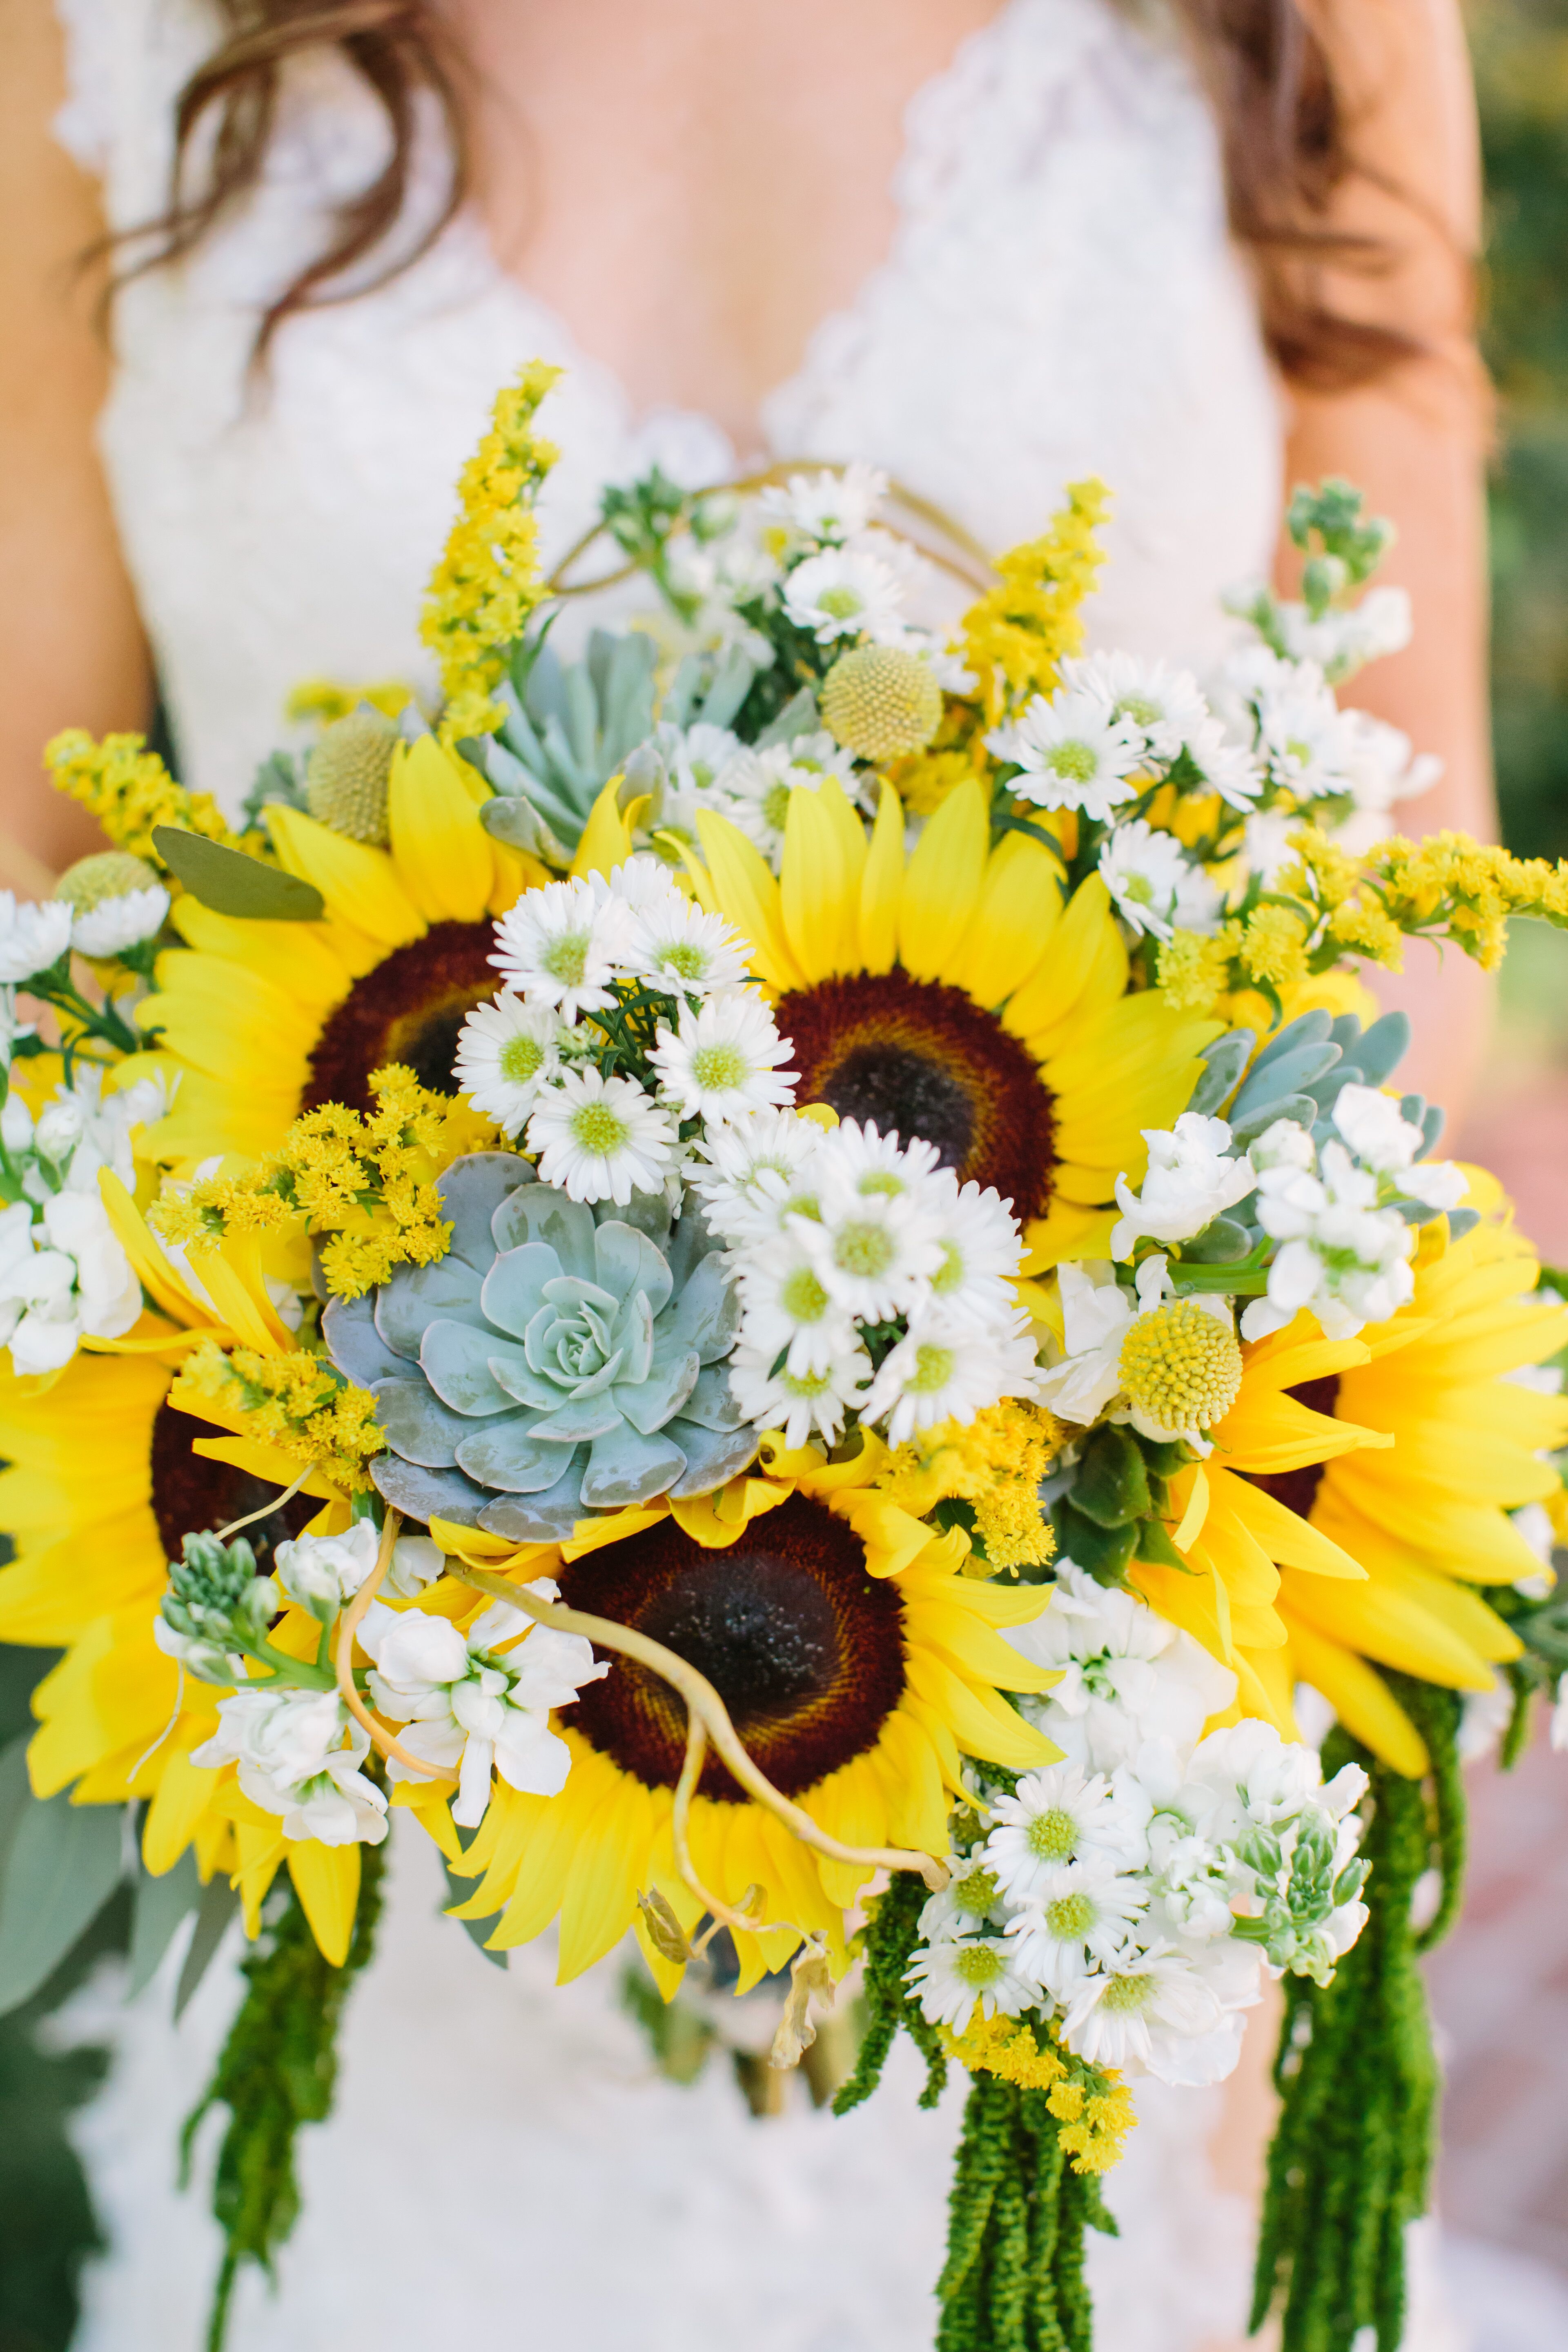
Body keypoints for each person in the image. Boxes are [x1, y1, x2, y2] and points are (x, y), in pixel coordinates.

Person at [0, 4, 1491, 2346]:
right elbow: (42, 861)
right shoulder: (96, 42)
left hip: (1085, 1738)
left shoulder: (1305, 28)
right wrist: (380, 1486)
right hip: (383, 1722)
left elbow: (1423, 872)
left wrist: (1031, 1441)